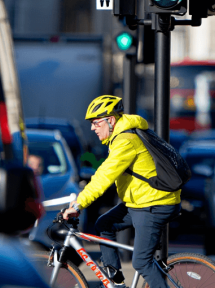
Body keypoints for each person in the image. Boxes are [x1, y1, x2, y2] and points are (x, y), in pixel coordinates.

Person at [63, 95, 181, 288]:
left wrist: (78, 204)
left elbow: (104, 177)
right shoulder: (123, 134)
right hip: (142, 201)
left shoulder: (126, 140)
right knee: (104, 225)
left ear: (110, 120)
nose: (92, 128)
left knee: (141, 262)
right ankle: (115, 282)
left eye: (95, 123)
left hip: (154, 204)